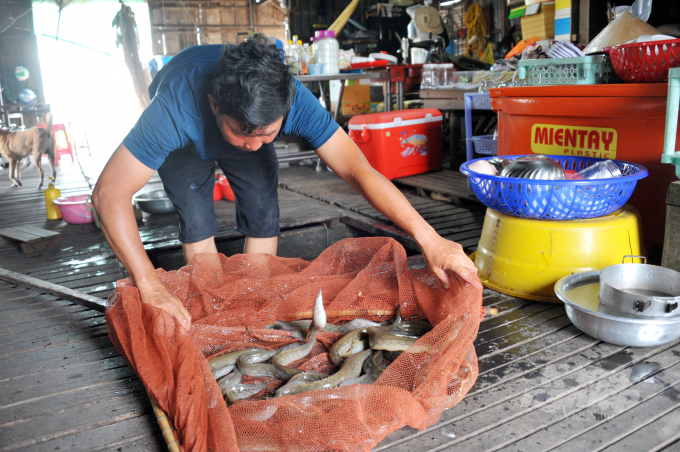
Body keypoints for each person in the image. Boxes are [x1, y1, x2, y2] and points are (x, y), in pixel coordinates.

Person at [92, 38, 477, 331]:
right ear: (214, 106)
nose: (256, 145)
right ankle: (213, 310)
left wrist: (430, 239)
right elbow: (109, 193)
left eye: (268, 134)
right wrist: (151, 286)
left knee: (262, 206)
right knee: (196, 216)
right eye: (244, 134)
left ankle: (254, 305)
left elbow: (358, 169)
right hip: (186, 138)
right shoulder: (174, 109)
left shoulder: (292, 101)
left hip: (242, 115)